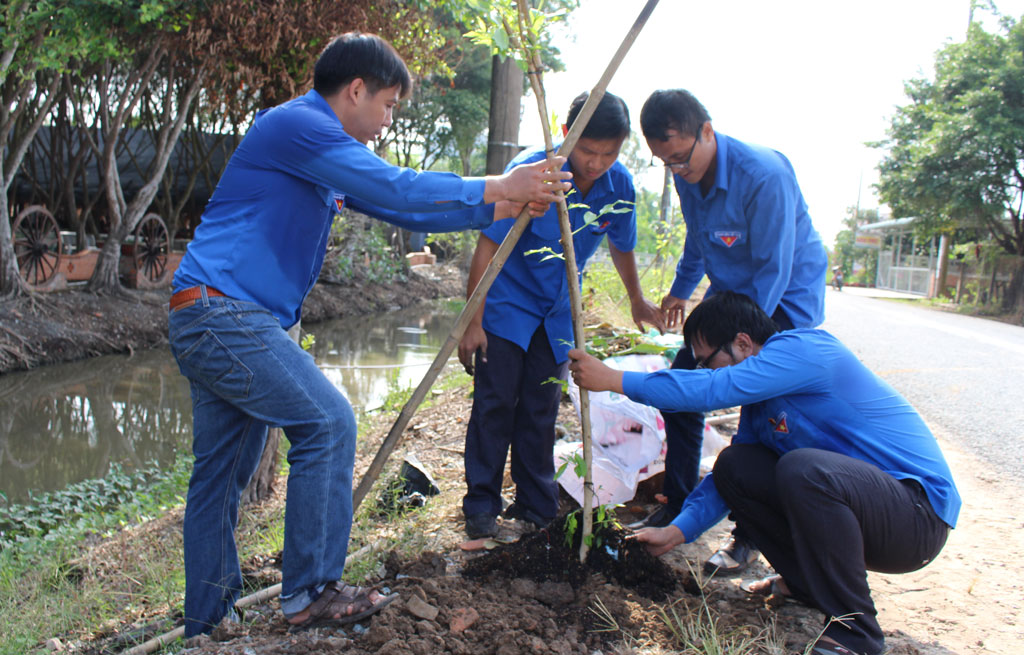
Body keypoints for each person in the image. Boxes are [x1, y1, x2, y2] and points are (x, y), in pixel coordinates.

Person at [168, 32, 573, 637]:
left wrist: (501, 208)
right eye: (387, 105)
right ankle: (310, 593)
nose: (388, 120)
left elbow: (403, 209)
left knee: (223, 476)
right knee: (328, 422)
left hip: (216, 313)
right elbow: (396, 186)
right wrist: (499, 186)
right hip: (224, 312)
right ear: (355, 89)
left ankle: (208, 620)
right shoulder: (298, 126)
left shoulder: (320, 150)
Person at [567, 292, 960, 655]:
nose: (703, 370)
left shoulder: (805, 349)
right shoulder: (761, 408)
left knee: (803, 470)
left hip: (915, 517)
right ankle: (807, 586)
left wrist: (615, 380)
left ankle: (855, 633)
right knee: (737, 465)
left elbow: (713, 388)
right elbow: (730, 480)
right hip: (865, 515)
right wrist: (677, 531)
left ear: (742, 343)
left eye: (706, 361)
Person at [636, 89, 828, 577]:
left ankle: (748, 537)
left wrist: (750, 351)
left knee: (761, 415)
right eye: (666, 163)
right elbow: (699, 239)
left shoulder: (764, 176)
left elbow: (773, 269)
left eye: (680, 158)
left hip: (779, 303)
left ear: (707, 130)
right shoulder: (686, 175)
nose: (677, 170)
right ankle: (679, 502)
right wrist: (682, 291)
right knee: (682, 386)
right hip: (731, 299)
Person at [456, 91, 665, 538]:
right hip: (508, 305)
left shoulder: (620, 186)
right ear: (567, 135)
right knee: (495, 403)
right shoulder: (534, 174)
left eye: (609, 153)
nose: (596, 163)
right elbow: (488, 245)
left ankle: (535, 507)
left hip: (557, 315)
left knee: (541, 407)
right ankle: (481, 506)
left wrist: (636, 298)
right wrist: (472, 320)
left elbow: (622, 245)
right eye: (588, 151)